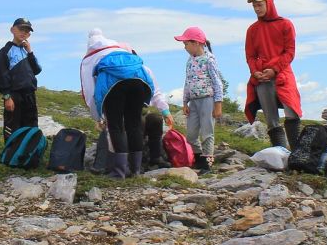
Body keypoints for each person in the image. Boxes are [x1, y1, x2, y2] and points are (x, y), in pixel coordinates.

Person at [80, 29, 172, 179]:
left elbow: (90, 91)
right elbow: (154, 87)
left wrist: (98, 117)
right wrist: (165, 110)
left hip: (114, 87)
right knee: (134, 125)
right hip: (139, 84)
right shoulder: (123, 53)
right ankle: (136, 171)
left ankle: (119, 172)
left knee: (115, 126)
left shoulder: (89, 59)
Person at [243, 0, 302, 148]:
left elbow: (289, 52)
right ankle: (281, 154)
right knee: (271, 119)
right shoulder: (252, 30)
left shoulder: (285, 24)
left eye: (260, 5)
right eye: (254, 6)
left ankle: (297, 155)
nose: (257, 8)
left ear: (269, 3)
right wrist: (255, 72)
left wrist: (275, 69)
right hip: (261, 77)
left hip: (283, 74)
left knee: (292, 112)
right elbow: (250, 56)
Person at [174, 26, 224, 173]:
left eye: (186, 44)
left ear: (196, 43)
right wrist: (185, 102)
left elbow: (217, 82)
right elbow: (187, 82)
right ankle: (198, 158)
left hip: (207, 99)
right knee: (191, 133)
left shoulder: (209, 59)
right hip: (193, 101)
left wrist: (218, 104)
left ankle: (207, 163)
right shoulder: (189, 61)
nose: (185, 47)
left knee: (207, 131)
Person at [0, 17, 41, 141]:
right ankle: (12, 156)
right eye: (21, 29)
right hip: (14, 95)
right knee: (13, 126)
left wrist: (30, 52)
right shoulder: (5, 51)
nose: (24, 32)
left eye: (27, 31)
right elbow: (1, 75)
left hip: (30, 95)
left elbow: (37, 70)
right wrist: (7, 97)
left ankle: (29, 156)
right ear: (12, 30)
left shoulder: (27, 52)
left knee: (31, 126)